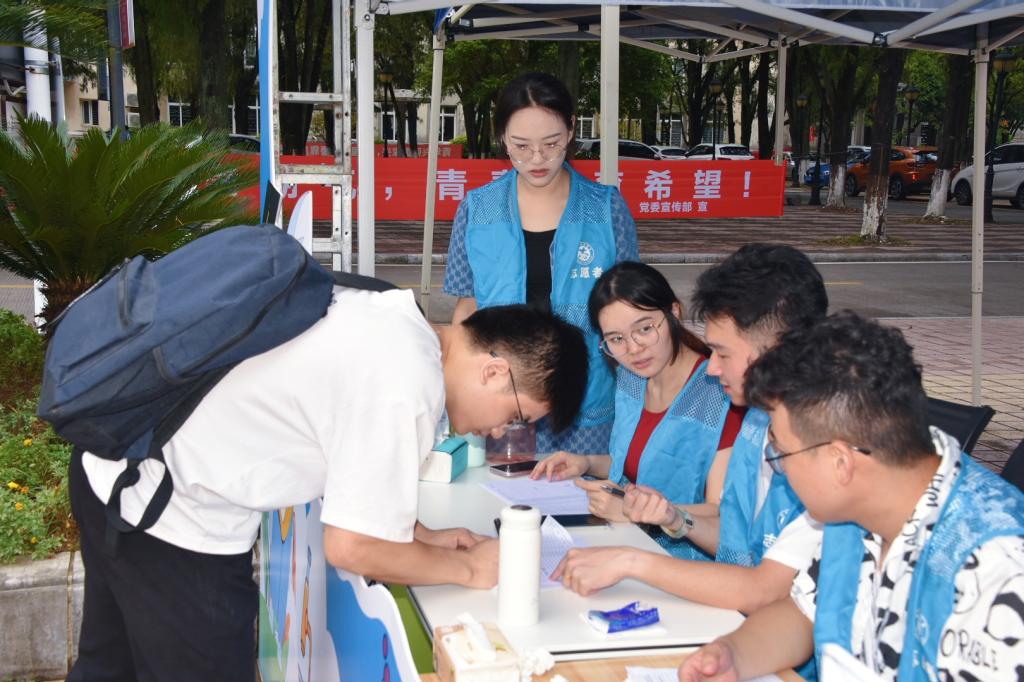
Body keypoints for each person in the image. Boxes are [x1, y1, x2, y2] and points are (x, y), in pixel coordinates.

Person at [68, 287, 588, 682]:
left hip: (120, 465)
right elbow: (352, 547)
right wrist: (471, 569)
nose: (500, 432)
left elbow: (338, 444)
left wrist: (417, 534)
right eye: (515, 416)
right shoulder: (406, 382)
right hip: (169, 516)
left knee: (108, 667)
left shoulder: (392, 318)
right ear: (494, 372)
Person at [679, 312, 1024, 682]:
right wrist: (735, 653)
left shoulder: (996, 568)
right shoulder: (861, 506)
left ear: (840, 462)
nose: (778, 468)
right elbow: (803, 613)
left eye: (780, 453)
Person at [552, 245, 827, 619]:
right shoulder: (758, 424)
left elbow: (766, 591)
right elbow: (735, 537)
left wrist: (636, 551)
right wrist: (671, 517)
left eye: (722, 354)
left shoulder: (815, 449)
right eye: (615, 339)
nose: (711, 369)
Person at [443, 72, 638, 456]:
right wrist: (457, 391)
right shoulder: (477, 209)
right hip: (501, 400)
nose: (537, 158)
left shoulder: (606, 210)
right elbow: (467, 305)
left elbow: (631, 308)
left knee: (577, 491)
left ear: (571, 131)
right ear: (502, 138)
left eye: (551, 144)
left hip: (586, 402)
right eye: (521, 146)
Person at [532, 261, 744, 559]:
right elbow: (638, 462)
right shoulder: (632, 379)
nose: (633, 349)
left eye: (644, 329)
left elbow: (719, 513)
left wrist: (636, 511)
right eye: (616, 339)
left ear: (674, 312)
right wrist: (587, 463)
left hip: (684, 560)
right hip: (629, 542)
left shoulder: (720, 392)